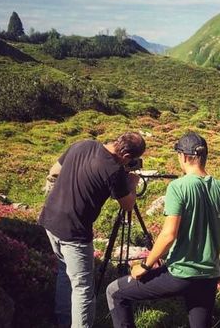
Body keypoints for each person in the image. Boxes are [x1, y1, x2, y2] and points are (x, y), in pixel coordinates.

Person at [106, 131, 220, 328]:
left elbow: (168, 235)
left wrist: (145, 266)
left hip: (180, 274)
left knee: (115, 291)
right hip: (209, 275)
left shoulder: (178, 187)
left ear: (183, 156)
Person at [39, 132, 146, 328]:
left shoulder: (82, 144)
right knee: (83, 289)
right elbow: (128, 205)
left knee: (65, 272)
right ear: (128, 157)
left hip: (50, 218)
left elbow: (54, 170)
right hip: (74, 231)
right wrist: (131, 184)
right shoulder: (114, 170)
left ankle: (64, 320)